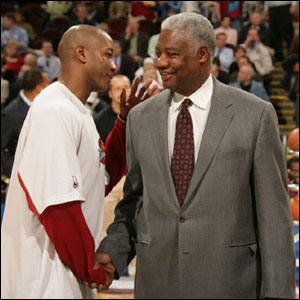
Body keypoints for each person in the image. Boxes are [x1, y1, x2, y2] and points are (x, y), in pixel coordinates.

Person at [95, 12, 296, 299]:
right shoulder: (140, 117)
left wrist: (278, 295)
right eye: (158, 54)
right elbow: (134, 203)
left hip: (230, 284)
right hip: (157, 283)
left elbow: (275, 219)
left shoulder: (255, 114)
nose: (160, 63)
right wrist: (114, 250)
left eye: (171, 54)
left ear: (202, 54)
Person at [1, 24, 154, 299]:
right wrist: (91, 269)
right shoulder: (54, 110)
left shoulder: (76, 109)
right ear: (81, 53)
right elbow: (58, 207)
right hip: (43, 281)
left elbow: (99, 182)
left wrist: (123, 123)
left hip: (64, 273)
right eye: (107, 55)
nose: (114, 66)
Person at [1, 68, 49, 184]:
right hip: (23, 179)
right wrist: (15, 174)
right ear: (39, 88)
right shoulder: (12, 113)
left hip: (42, 174)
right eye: (47, 84)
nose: (49, 87)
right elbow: (2, 147)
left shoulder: (45, 105)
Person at [94, 75, 131, 144]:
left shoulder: (138, 116)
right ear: (110, 93)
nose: (122, 92)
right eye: (117, 88)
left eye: (125, 87)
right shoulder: (100, 119)